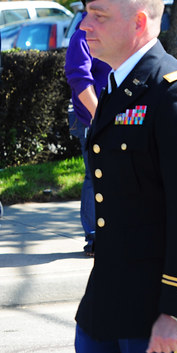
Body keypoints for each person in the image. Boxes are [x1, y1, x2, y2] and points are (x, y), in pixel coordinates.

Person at [72, 0, 177, 353]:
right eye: (86, 14)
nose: (85, 26)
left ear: (139, 22)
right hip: (113, 286)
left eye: (99, 16)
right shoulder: (119, 85)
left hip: (162, 296)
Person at [64, 19, 111, 256]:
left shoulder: (117, 27)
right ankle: (94, 236)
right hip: (92, 119)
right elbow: (79, 77)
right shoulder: (82, 35)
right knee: (95, 175)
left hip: (122, 116)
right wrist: (97, 115)